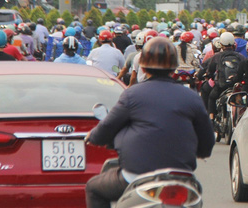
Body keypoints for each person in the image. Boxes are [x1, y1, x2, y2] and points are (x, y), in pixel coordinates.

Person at [85, 37, 214, 208]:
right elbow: (207, 143)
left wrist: (92, 136)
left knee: (93, 188)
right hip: (182, 178)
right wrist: (199, 151)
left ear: (143, 67)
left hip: (136, 177)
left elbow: (107, 128)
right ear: (174, 68)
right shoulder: (191, 97)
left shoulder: (132, 95)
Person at [201, 32, 245, 120]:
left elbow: (210, 70)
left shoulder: (217, 56)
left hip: (221, 86)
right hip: (236, 86)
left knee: (212, 98)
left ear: (221, 44)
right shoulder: (240, 56)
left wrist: (208, 75)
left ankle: (211, 118)